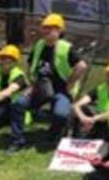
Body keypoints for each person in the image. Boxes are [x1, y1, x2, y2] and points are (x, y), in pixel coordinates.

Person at [8, 13, 89, 151]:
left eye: (51, 28)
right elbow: (30, 64)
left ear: (59, 31)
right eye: (45, 28)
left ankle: (53, 135)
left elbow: (82, 66)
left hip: (61, 90)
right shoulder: (39, 45)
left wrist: (70, 83)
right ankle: (17, 140)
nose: (47, 31)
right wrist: (31, 85)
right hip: (40, 88)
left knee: (60, 114)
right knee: (18, 104)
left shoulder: (65, 47)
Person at [74, 60, 109, 136]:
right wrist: (82, 117)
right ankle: (79, 137)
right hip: (99, 120)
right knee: (81, 109)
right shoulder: (101, 88)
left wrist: (93, 119)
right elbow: (77, 105)